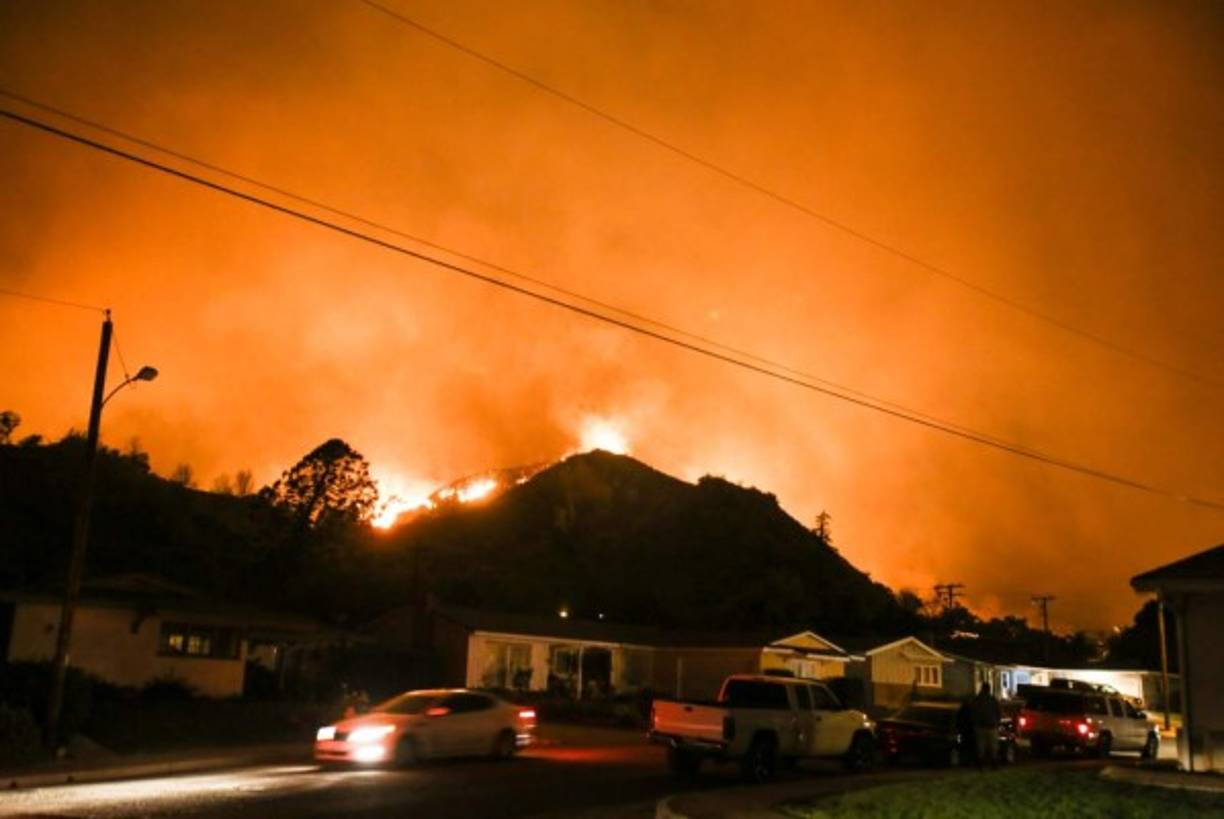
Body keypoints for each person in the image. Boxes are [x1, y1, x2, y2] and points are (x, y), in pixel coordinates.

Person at [970, 681, 1001, 770]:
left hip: (980, 726)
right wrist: (997, 722)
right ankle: (994, 764)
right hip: (991, 726)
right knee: (993, 747)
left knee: (981, 746)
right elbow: (998, 712)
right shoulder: (992, 700)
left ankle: (980, 765)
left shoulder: (977, 700)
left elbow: (972, 712)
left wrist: (975, 722)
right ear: (989, 689)